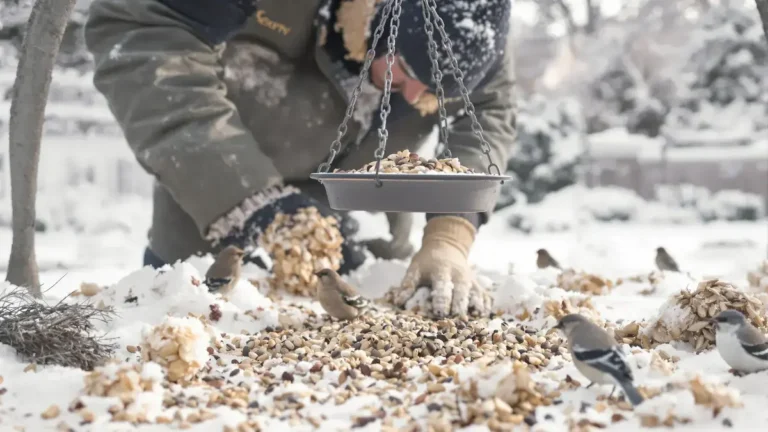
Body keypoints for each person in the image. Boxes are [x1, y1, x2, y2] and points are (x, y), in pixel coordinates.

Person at [84, 0, 517, 317]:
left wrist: (450, 236)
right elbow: (146, 35)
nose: (415, 97)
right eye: (406, 70)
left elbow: (487, 114)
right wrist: (249, 200)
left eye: (434, 91)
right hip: (215, 217)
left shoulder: (473, 25)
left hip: (362, 236)